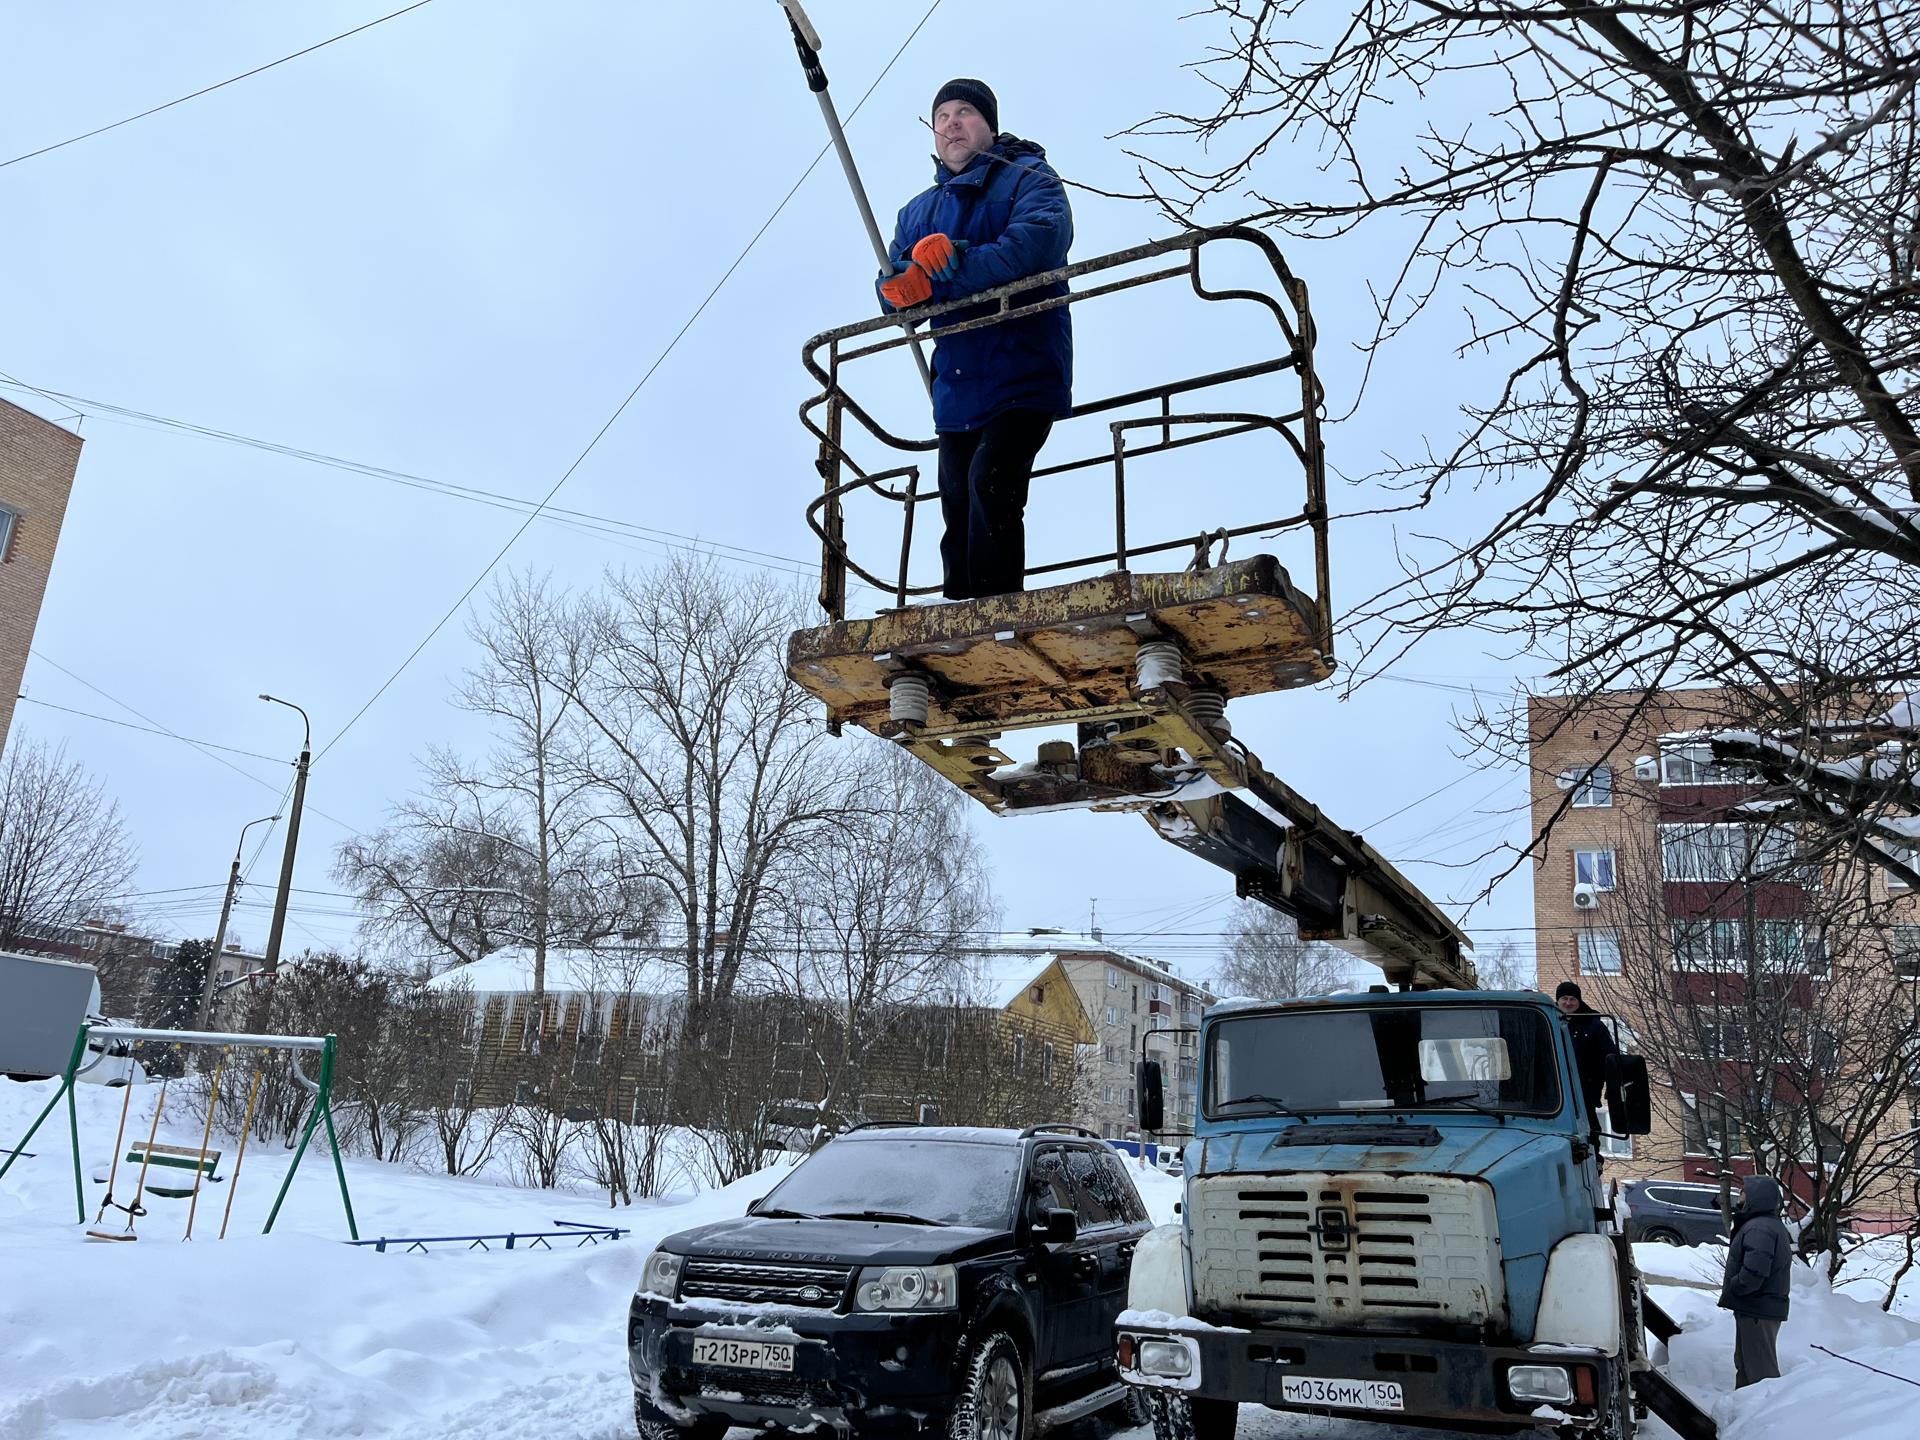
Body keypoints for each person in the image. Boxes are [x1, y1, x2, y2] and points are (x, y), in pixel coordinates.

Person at [877, 78, 1073, 601]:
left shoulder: (1030, 178)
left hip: (1023, 367)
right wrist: (899, 289)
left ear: (989, 125)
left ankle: (996, 612)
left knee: (993, 479)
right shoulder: (915, 214)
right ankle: (959, 612)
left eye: (964, 112)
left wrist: (950, 264)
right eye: (941, 117)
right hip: (958, 383)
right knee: (957, 498)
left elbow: (1033, 247)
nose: (951, 124)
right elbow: (892, 287)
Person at [1718, 1174, 1793, 1387]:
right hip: (1755, 1308)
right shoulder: (1760, 1224)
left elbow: (1755, 1270)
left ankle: (1769, 1408)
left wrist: (1736, 1287)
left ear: (1756, 1196)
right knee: (1746, 1365)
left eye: (1744, 1190)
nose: (1740, 1193)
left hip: (1758, 1309)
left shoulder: (1760, 1228)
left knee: (1760, 1372)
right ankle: (1743, 1406)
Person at [1554, 980, 1618, 1151]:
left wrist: (1609, 1084)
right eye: (1564, 998)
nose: (1568, 1003)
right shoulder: (1547, 1022)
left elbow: (1610, 1057)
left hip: (1584, 1094)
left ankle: (1594, 1157)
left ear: (1579, 1001)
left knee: (1588, 1135)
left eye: (1572, 999)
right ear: (1557, 1001)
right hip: (1553, 1096)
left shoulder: (1593, 1025)